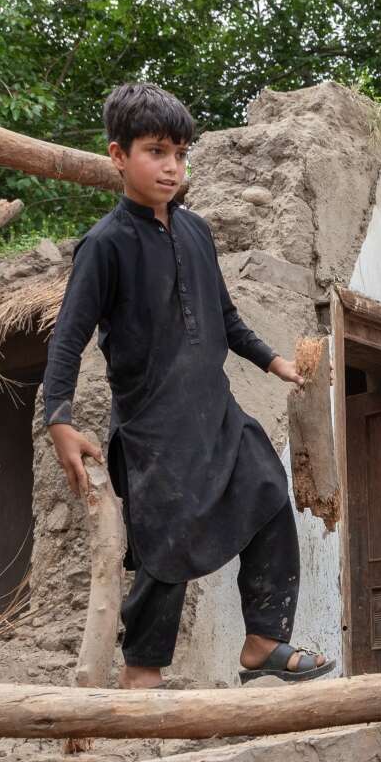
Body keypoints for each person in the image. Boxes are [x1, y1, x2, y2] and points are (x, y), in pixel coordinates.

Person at [42, 82, 334, 688]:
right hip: (153, 427)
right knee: (163, 554)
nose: (171, 166)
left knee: (269, 493)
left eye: (179, 152)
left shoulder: (198, 232)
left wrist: (272, 360)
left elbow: (223, 318)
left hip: (215, 413)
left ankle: (262, 643)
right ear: (119, 155)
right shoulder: (104, 245)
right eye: (155, 151)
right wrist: (60, 419)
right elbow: (68, 337)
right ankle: (142, 675)